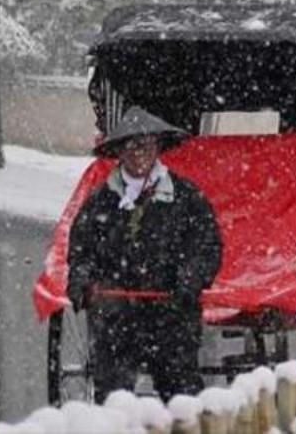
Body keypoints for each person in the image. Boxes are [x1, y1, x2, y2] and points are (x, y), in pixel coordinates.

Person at [65, 107, 223, 398]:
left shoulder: (187, 198)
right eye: (131, 146)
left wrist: (191, 276)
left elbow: (207, 246)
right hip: (115, 315)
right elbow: (80, 249)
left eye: (146, 146)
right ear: (120, 152)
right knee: (113, 396)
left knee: (181, 394)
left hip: (171, 312)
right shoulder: (100, 200)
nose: (139, 153)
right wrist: (83, 279)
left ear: (157, 149)